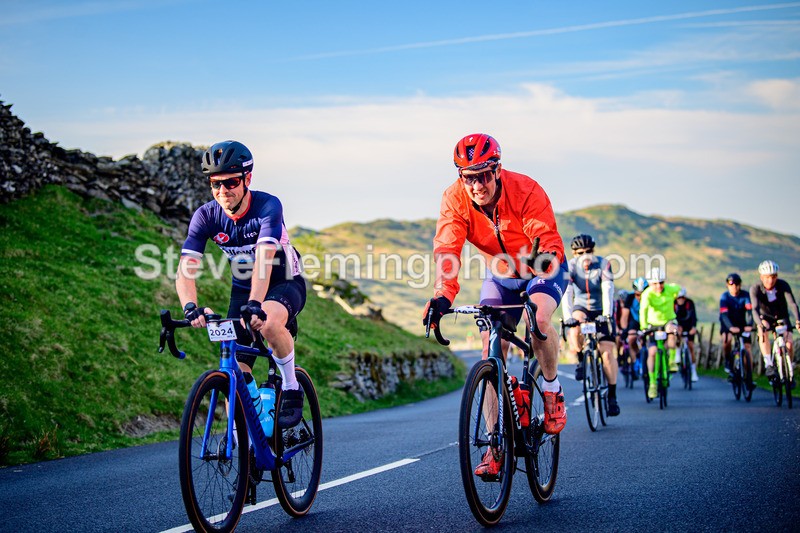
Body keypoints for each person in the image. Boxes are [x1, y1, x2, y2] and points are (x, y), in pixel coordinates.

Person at [424, 133, 568, 476]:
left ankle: (551, 390)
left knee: (541, 321)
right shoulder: (454, 199)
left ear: (497, 170)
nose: (477, 185)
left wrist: (540, 267)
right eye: (468, 177)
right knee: (492, 348)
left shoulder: (525, 189)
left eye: (484, 175)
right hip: (501, 276)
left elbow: (545, 236)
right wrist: (443, 296)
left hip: (540, 270)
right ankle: (495, 446)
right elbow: (448, 250)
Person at [175, 140, 307, 427]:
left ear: (247, 178)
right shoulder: (206, 216)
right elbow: (186, 268)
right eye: (215, 184)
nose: (223, 191)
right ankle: (245, 441)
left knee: (269, 324)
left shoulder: (267, 205)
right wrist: (190, 307)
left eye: (231, 182)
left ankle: (291, 387)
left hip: (283, 278)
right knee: (234, 373)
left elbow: (264, 258)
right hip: (244, 286)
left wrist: (257, 305)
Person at [562, 234, 620, 416]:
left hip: (601, 308)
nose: (585, 256)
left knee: (607, 353)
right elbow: (567, 292)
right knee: (575, 325)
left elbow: (608, 289)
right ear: (574, 254)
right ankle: (581, 360)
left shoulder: (604, 264)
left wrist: (607, 315)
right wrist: (567, 317)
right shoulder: (570, 266)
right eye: (580, 253)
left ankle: (612, 396)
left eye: (588, 252)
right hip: (581, 307)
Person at [749, 260, 800, 383]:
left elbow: (792, 304)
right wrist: (760, 325)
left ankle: (789, 369)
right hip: (765, 317)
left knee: (789, 344)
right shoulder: (755, 288)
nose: (770, 281)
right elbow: (754, 310)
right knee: (763, 331)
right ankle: (769, 364)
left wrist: (798, 320)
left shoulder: (783, 285)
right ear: (761, 277)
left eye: (773, 277)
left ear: (776, 276)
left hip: (781, 316)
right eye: (767, 277)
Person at [639, 268, 682, 399]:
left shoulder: (670, 289)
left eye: (661, 282)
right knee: (652, 352)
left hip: (668, 321)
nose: (659, 286)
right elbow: (643, 311)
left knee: (672, 332)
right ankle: (652, 382)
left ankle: (672, 361)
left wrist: (676, 297)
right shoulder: (647, 294)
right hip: (653, 325)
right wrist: (644, 327)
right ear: (650, 284)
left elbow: (679, 288)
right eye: (655, 283)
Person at [719, 273, 754, 389]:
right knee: (727, 340)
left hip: (742, 325)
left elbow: (750, 312)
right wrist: (730, 328)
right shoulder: (724, 297)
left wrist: (749, 324)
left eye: (736, 284)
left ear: (740, 285)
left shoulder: (745, 295)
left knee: (747, 349)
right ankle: (728, 360)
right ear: (727, 285)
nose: (734, 287)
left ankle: (749, 377)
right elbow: (724, 315)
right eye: (731, 285)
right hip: (728, 324)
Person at [620, 277, 648, 370]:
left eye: (642, 295)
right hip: (635, 320)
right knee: (631, 338)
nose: (639, 297)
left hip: (648, 320)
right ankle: (635, 360)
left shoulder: (651, 297)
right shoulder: (630, 297)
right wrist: (624, 330)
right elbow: (624, 316)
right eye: (637, 294)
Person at [674, 288, 699, 382]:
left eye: (682, 298)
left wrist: (693, 327)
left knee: (691, 347)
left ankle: (693, 371)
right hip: (678, 325)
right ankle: (677, 351)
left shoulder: (690, 303)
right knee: (677, 336)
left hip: (688, 326)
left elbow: (693, 316)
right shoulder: (673, 304)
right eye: (679, 298)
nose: (680, 300)